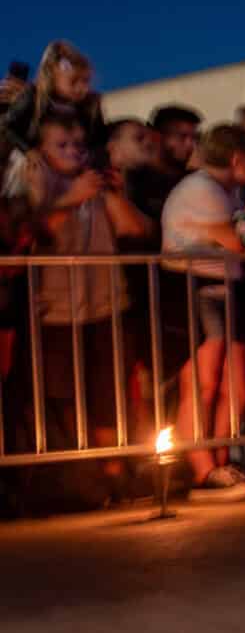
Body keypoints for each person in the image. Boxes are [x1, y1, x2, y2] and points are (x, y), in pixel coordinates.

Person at [7, 115, 152, 477]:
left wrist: (112, 193)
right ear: (41, 150)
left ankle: (114, 475)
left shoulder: (94, 183)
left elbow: (135, 228)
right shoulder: (35, 182)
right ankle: (81, 476)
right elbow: (34, 232)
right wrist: (71, 198)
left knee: (108, 398)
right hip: (55, 310)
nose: (73, 152)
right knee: (65, 397)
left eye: (79, 146)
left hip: (105, 304)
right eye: (62, 145)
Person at [160, 123, 245, 498]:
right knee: (203, 382)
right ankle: (203, 470)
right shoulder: (202, 190)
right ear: (238, 159)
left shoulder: (224, 191)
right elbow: (242, 241)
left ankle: (221, 463)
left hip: (223, 285)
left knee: (238, 382)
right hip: (194, 284)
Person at [0, 40, 108, 161]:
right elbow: (8, 126)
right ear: (53, 75)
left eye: (85, 81)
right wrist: (28, 150)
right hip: (35, 159)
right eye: (73, 81)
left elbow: (100, 139)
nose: (81, 88)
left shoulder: (89, 106)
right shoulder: (34, 96)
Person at [129, 105, 200, 219]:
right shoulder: (136, 182)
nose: (191, 145)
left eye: (195, 137)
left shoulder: (194, 178)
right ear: (157, 137)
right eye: (182, 137)